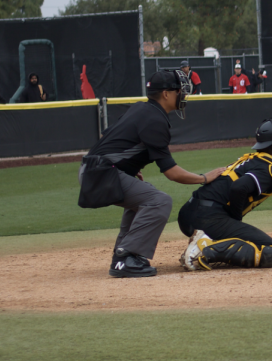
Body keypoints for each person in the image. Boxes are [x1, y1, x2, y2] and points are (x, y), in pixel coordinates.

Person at [78, 69, 225, 278]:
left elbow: (111, 138)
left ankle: (123, 254)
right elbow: (172, 173)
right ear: (166, 94)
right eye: (179, 91)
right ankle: (127, 256)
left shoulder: (142, 109)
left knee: (143, 197)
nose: (183, 95)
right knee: (159, 201)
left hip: (95, 168)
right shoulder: (155, 119)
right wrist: (204, 177)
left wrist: (128, 168)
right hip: (100, 173)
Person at [178, 117, 272, 271]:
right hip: (208, 218)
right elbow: (238, 188)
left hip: (189, 214)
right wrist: (235, 220)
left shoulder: (252, 159)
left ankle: (205, 240)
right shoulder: (268, 169)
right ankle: (205, 248)